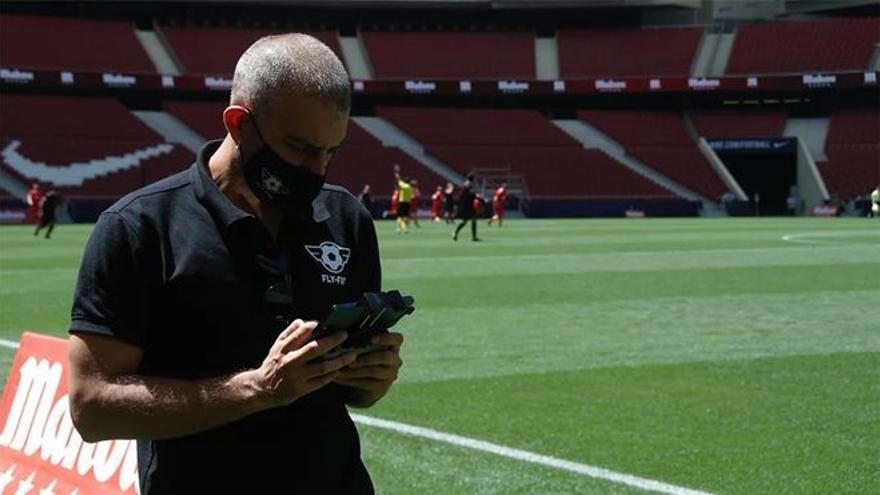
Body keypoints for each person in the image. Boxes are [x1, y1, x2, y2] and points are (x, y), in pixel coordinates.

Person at [67, 34, 403, 494]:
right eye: (300, 148)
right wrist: (256, 390)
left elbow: (354, 392)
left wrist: (370, 378)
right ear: (239, 123)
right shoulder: (138, 228)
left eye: (332, 151)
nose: (318, 169)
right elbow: (91, 408)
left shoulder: (346, 218)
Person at [393, 164, 413, 233]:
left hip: (402, 202)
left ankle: (400, 228)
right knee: (406, 216)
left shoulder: (404, 186)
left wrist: (396, 172)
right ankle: (404, 227)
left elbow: (398, 180)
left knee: (400, 216)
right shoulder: (410, 187)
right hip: (408, 203)